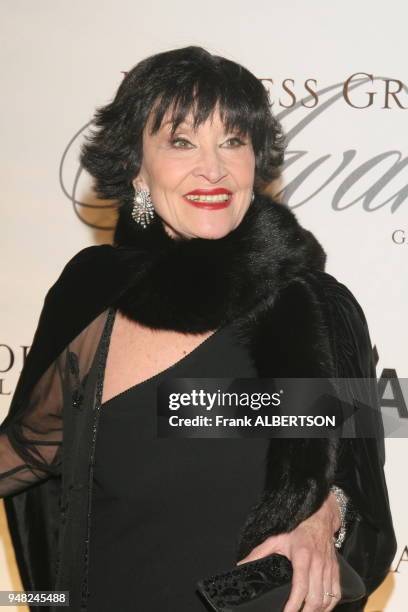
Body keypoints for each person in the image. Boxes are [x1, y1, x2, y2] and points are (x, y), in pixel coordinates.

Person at [0, 46, 396, 612]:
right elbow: (34, 444)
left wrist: (323, 518)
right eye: (181, 141)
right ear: (136, 166)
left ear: (256, 161)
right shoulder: (91, 293)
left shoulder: (316, 310)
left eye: (233, 141)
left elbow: (359, 485)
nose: (213, 168)